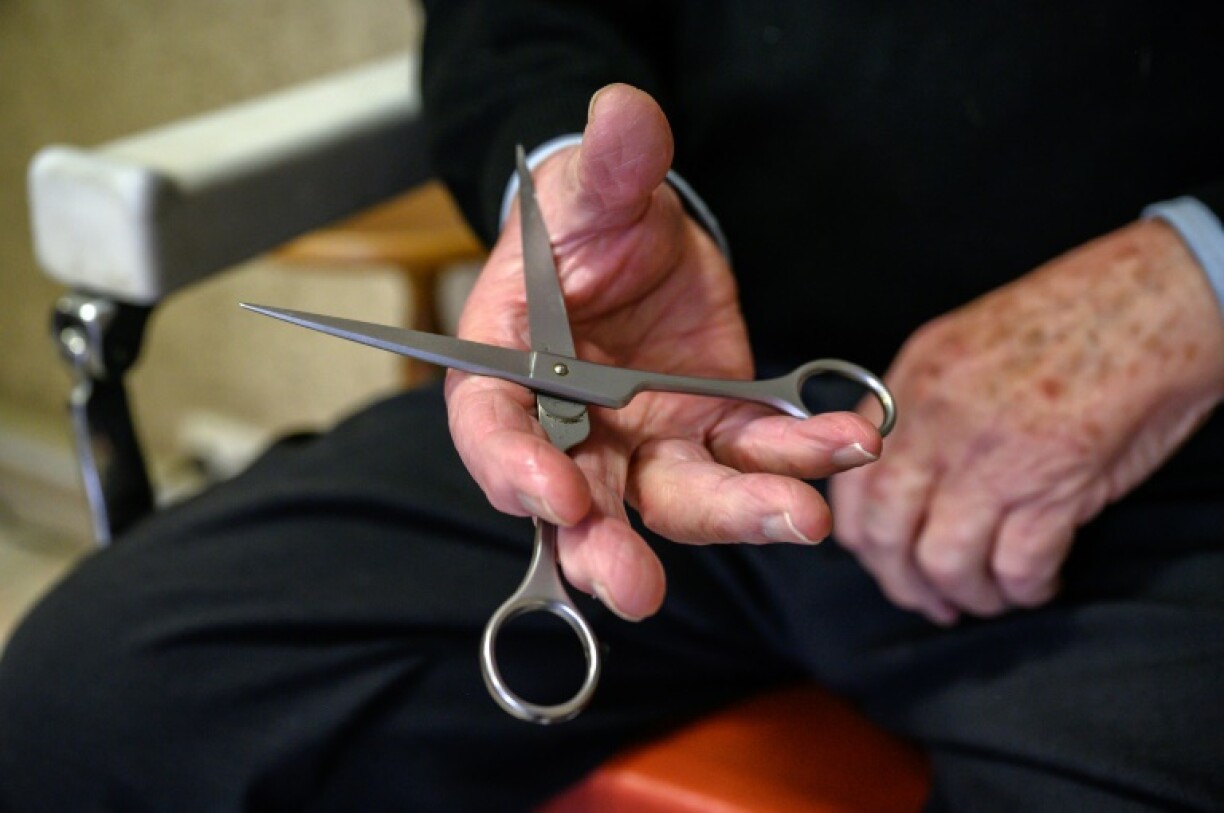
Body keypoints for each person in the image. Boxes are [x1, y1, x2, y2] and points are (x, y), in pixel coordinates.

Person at [2, 2, 1223, 810]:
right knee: (90, 703)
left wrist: (1200, 278)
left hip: (1160, 486)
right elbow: (519, 13)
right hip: (643, 389)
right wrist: (577, 200)